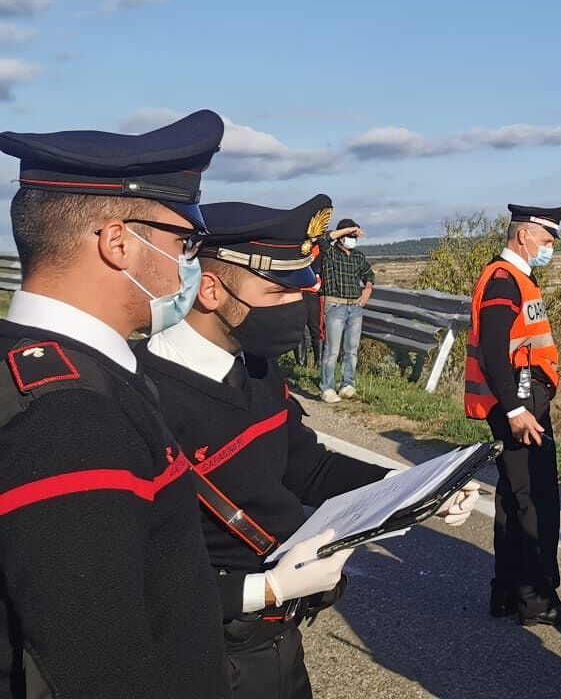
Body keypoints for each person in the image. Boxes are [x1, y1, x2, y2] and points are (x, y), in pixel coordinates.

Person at [136, 194, 480, 698]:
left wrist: (416, 489)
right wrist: (265, 589)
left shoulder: (254, 366)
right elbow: (130, 572)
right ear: (210, 290)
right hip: (199, 652)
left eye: (303, 289)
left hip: (278, 640)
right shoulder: (139, 398)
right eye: (279, 291)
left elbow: (308, 467)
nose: (296, 305)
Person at [0, 110, 233, 698]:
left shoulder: (46, 366)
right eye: (184, 241)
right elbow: (97, 665)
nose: (191, 262)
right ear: (117, 242)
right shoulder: (71, 417)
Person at [465, 203, 561, 626]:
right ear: (524, 236)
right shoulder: (505, 281)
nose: (551, 247)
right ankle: (537, 599)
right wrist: (516, 408)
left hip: (520, 398)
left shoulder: (514, 277)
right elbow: (493, 351)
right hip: (519, 401)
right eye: (547, 239)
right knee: (535, 498)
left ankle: (506, 591)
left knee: (512, 495)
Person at [316, 218, 372, 403]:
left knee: (351, 349)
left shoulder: (358, 257)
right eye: (349, 236)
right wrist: (349, 229)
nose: (352, 239)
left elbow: (368, 274)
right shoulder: (330, 253)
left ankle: (348, 384)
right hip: (335, 306)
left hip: (355, 306)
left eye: (354, 236)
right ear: (340, 236)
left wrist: (368, 288)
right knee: (332, 350)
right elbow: (323, 238)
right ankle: (327, 387)